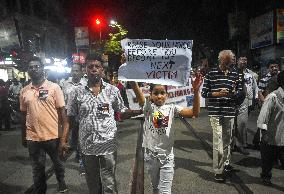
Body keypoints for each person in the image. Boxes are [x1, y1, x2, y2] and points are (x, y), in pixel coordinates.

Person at [67, 54, 141, 194]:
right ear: (85, 70)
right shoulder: (75, 92)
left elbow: (122, 112)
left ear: (102, 70)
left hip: (108, 143)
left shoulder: (113, 91)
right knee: (92, 181)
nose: (94, 69)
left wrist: (140, 111)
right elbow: (70, 117)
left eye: (97, 66)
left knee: (109, 181)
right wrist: (66, 140)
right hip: (87, 145)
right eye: (90, 66)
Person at [130, 74, 202, 194]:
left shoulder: (172, 108)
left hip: (167, 157)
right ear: (151, 95)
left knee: (165, 191)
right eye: (156, 93)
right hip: (151, 157)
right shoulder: (148, 107)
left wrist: (196, 91)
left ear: (167, 95)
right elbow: (136, 89)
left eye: (162, 93)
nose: (159, 96)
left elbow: (194, 113)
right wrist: (131, 72)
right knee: (155, 188)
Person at [19, 57, 69, 193]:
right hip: (33, 138)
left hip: (53, 136)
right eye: (31, 67)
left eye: (36, 66)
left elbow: (63, 116)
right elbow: (23, 115)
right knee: (37, 169)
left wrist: (63, 139)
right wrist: (23, 136)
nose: (33, 69)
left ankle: (61, 181)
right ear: (28, 71)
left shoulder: (54, 88)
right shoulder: (24, 91)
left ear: (42, 69)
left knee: (58, 164)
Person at [201, 50, 243, 182]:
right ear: (222, 60)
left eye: (232, 61)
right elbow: (204, 93)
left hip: (230, 111)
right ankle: (218, 171)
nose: (232, 63)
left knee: (228, 140)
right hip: (215, 112)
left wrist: (232, 93)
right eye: (229, 61)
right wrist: (217, 94)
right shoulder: (211, 73)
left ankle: (226, 164)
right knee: (218, 142)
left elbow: (240, 91)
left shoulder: (235, 73)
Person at [257, 70, 284, 186]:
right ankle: (266, 176)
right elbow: (263, 118)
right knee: (268, 160)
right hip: (271, 136)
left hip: (283, 136)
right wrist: (264, 136)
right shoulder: (273, 97)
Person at [61, 63, 85, 175]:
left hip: (81, 116)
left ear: (81, 72)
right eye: (73, 70)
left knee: (81, 139)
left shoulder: (85, 84)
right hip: (68, 116)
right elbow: (63, 100)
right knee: (71, 138)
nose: (74, 72)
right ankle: (75, 153)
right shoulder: (65, 84)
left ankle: (82, 163)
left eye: (77, 70)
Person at [234, 56, 258, 155]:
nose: (244, 61)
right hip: (233, 101)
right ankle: (231, 145)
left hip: (246, 101)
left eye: (245, 59)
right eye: (242, 59)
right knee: (232, 124)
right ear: (237, 61)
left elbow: (255, 87)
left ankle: (241, 145)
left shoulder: (251, 74)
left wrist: (255, 98)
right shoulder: (232, 71)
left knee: (242, 123)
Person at [253, 60, 280, 148]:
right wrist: (265, 104)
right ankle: (258, 142)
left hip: (280, 104)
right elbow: (260, 92)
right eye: (272, 67)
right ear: (268, 68)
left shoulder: (281, 76)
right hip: (268, 103)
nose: (274, 68)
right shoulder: (264, 79)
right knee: (264, 124)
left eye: (276, 66)